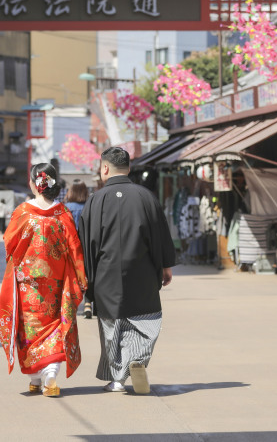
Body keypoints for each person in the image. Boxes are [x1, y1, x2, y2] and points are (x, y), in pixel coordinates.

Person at [80, 146, 176, 394]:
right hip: (142, 271)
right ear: (129, 167)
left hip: (106, 274)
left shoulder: (95, 200)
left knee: (112, 327)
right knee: (145, 321)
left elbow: (87, 243)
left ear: (105, 168)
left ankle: (117, 379)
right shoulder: (146, 197)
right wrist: (165, 266)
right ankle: (137, 358)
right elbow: (160, 234)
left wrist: (87, 279)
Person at [0, 163, 87, 397]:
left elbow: (9, 244)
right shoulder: (62, 214)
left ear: (34, 184)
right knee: (54, 324)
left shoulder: (22, 212)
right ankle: (49, 374)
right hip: (56, 282)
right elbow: (75, 248)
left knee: (30, 329)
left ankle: (37, 377)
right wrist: (80, 276)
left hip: (28, 284)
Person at [64, 179, 92, 319]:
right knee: (88, 273)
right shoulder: (90, 206)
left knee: (71, 274)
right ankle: (88, 304)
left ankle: (72, 304)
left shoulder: (66, 207)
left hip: (71, 247)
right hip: (87, 245)